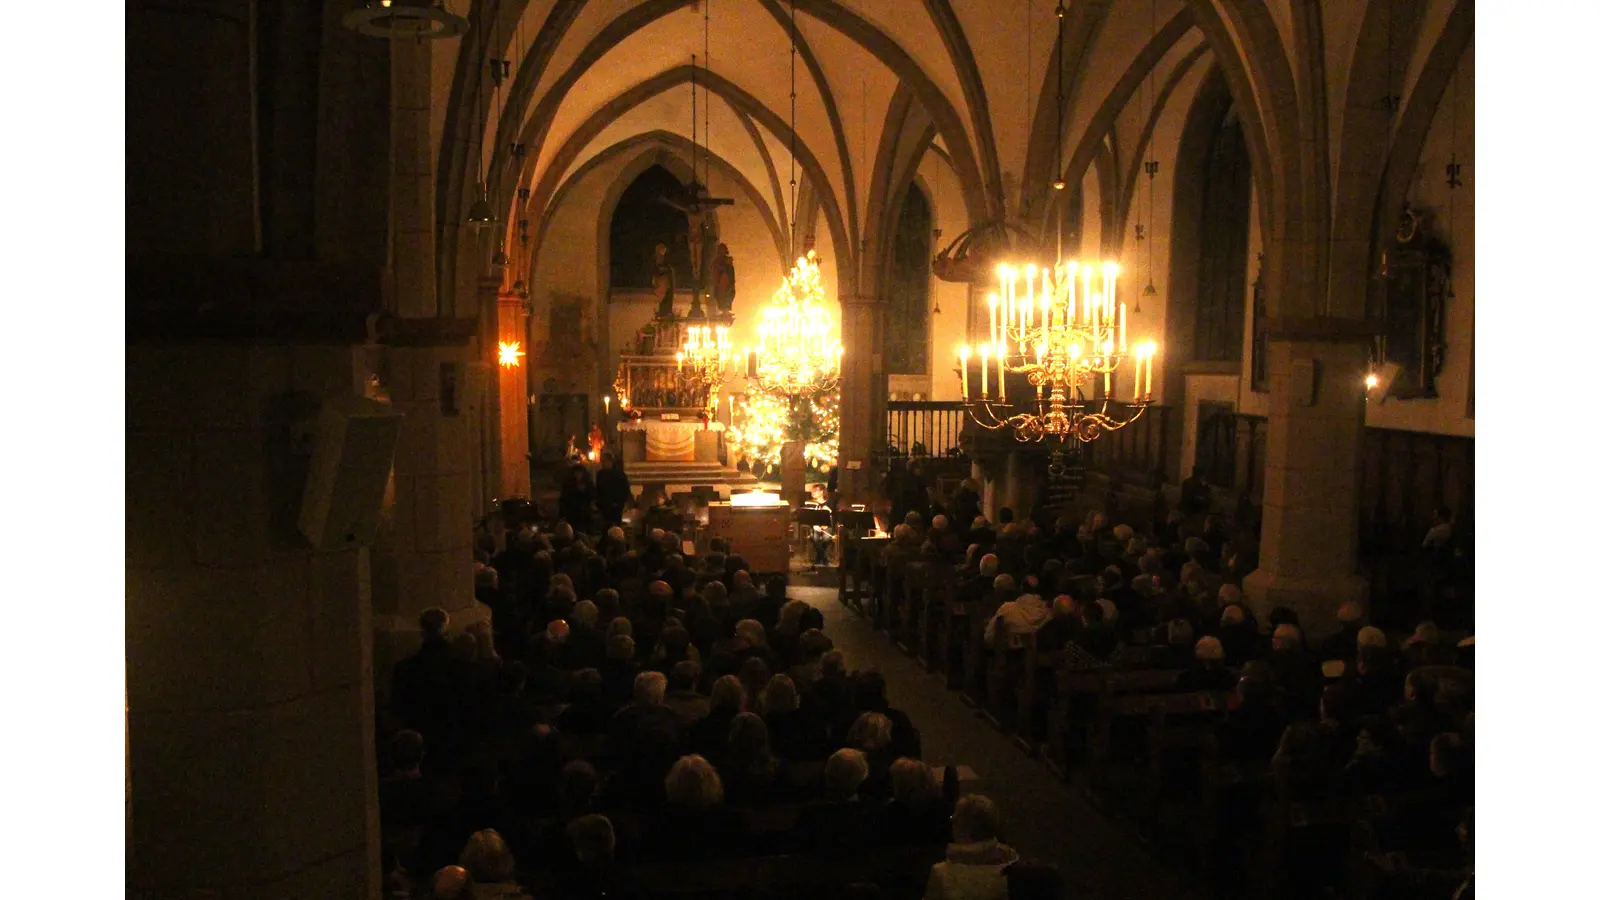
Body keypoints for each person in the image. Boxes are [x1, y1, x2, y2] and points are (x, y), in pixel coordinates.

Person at [923, 795, 1019, 900]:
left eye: (956, 816)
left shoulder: (942, 874)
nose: (952, 820)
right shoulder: (1012, 865)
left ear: (962, 826)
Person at [595, 453, 632, 528]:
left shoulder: (619, 474)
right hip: (604, 506)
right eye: (602, 461)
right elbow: (599, 489)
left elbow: (624, 489)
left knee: (615, 526)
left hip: (616, 506)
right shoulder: (600, 474)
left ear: (610, 461)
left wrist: (618, 502)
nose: (603, 463)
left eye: (605, 461)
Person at [558, 463, 597, 532]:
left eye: (580, 473)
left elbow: (592, 496)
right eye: (576, 473)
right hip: (572, 512)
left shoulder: (588, 484)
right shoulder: (568, 484)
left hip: (584, 513)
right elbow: (564, 498)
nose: (578, 475)